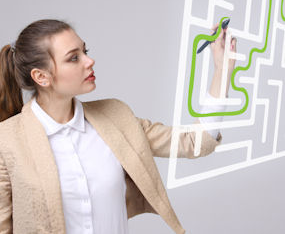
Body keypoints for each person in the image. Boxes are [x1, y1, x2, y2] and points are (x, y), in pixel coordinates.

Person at [0, 19, 236, 234]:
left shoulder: (116, 117)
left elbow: (196, 142)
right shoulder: (7, 140)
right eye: (74, 57)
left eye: (85, 51)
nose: (89, 61)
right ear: (41, 77)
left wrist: (223, 70)